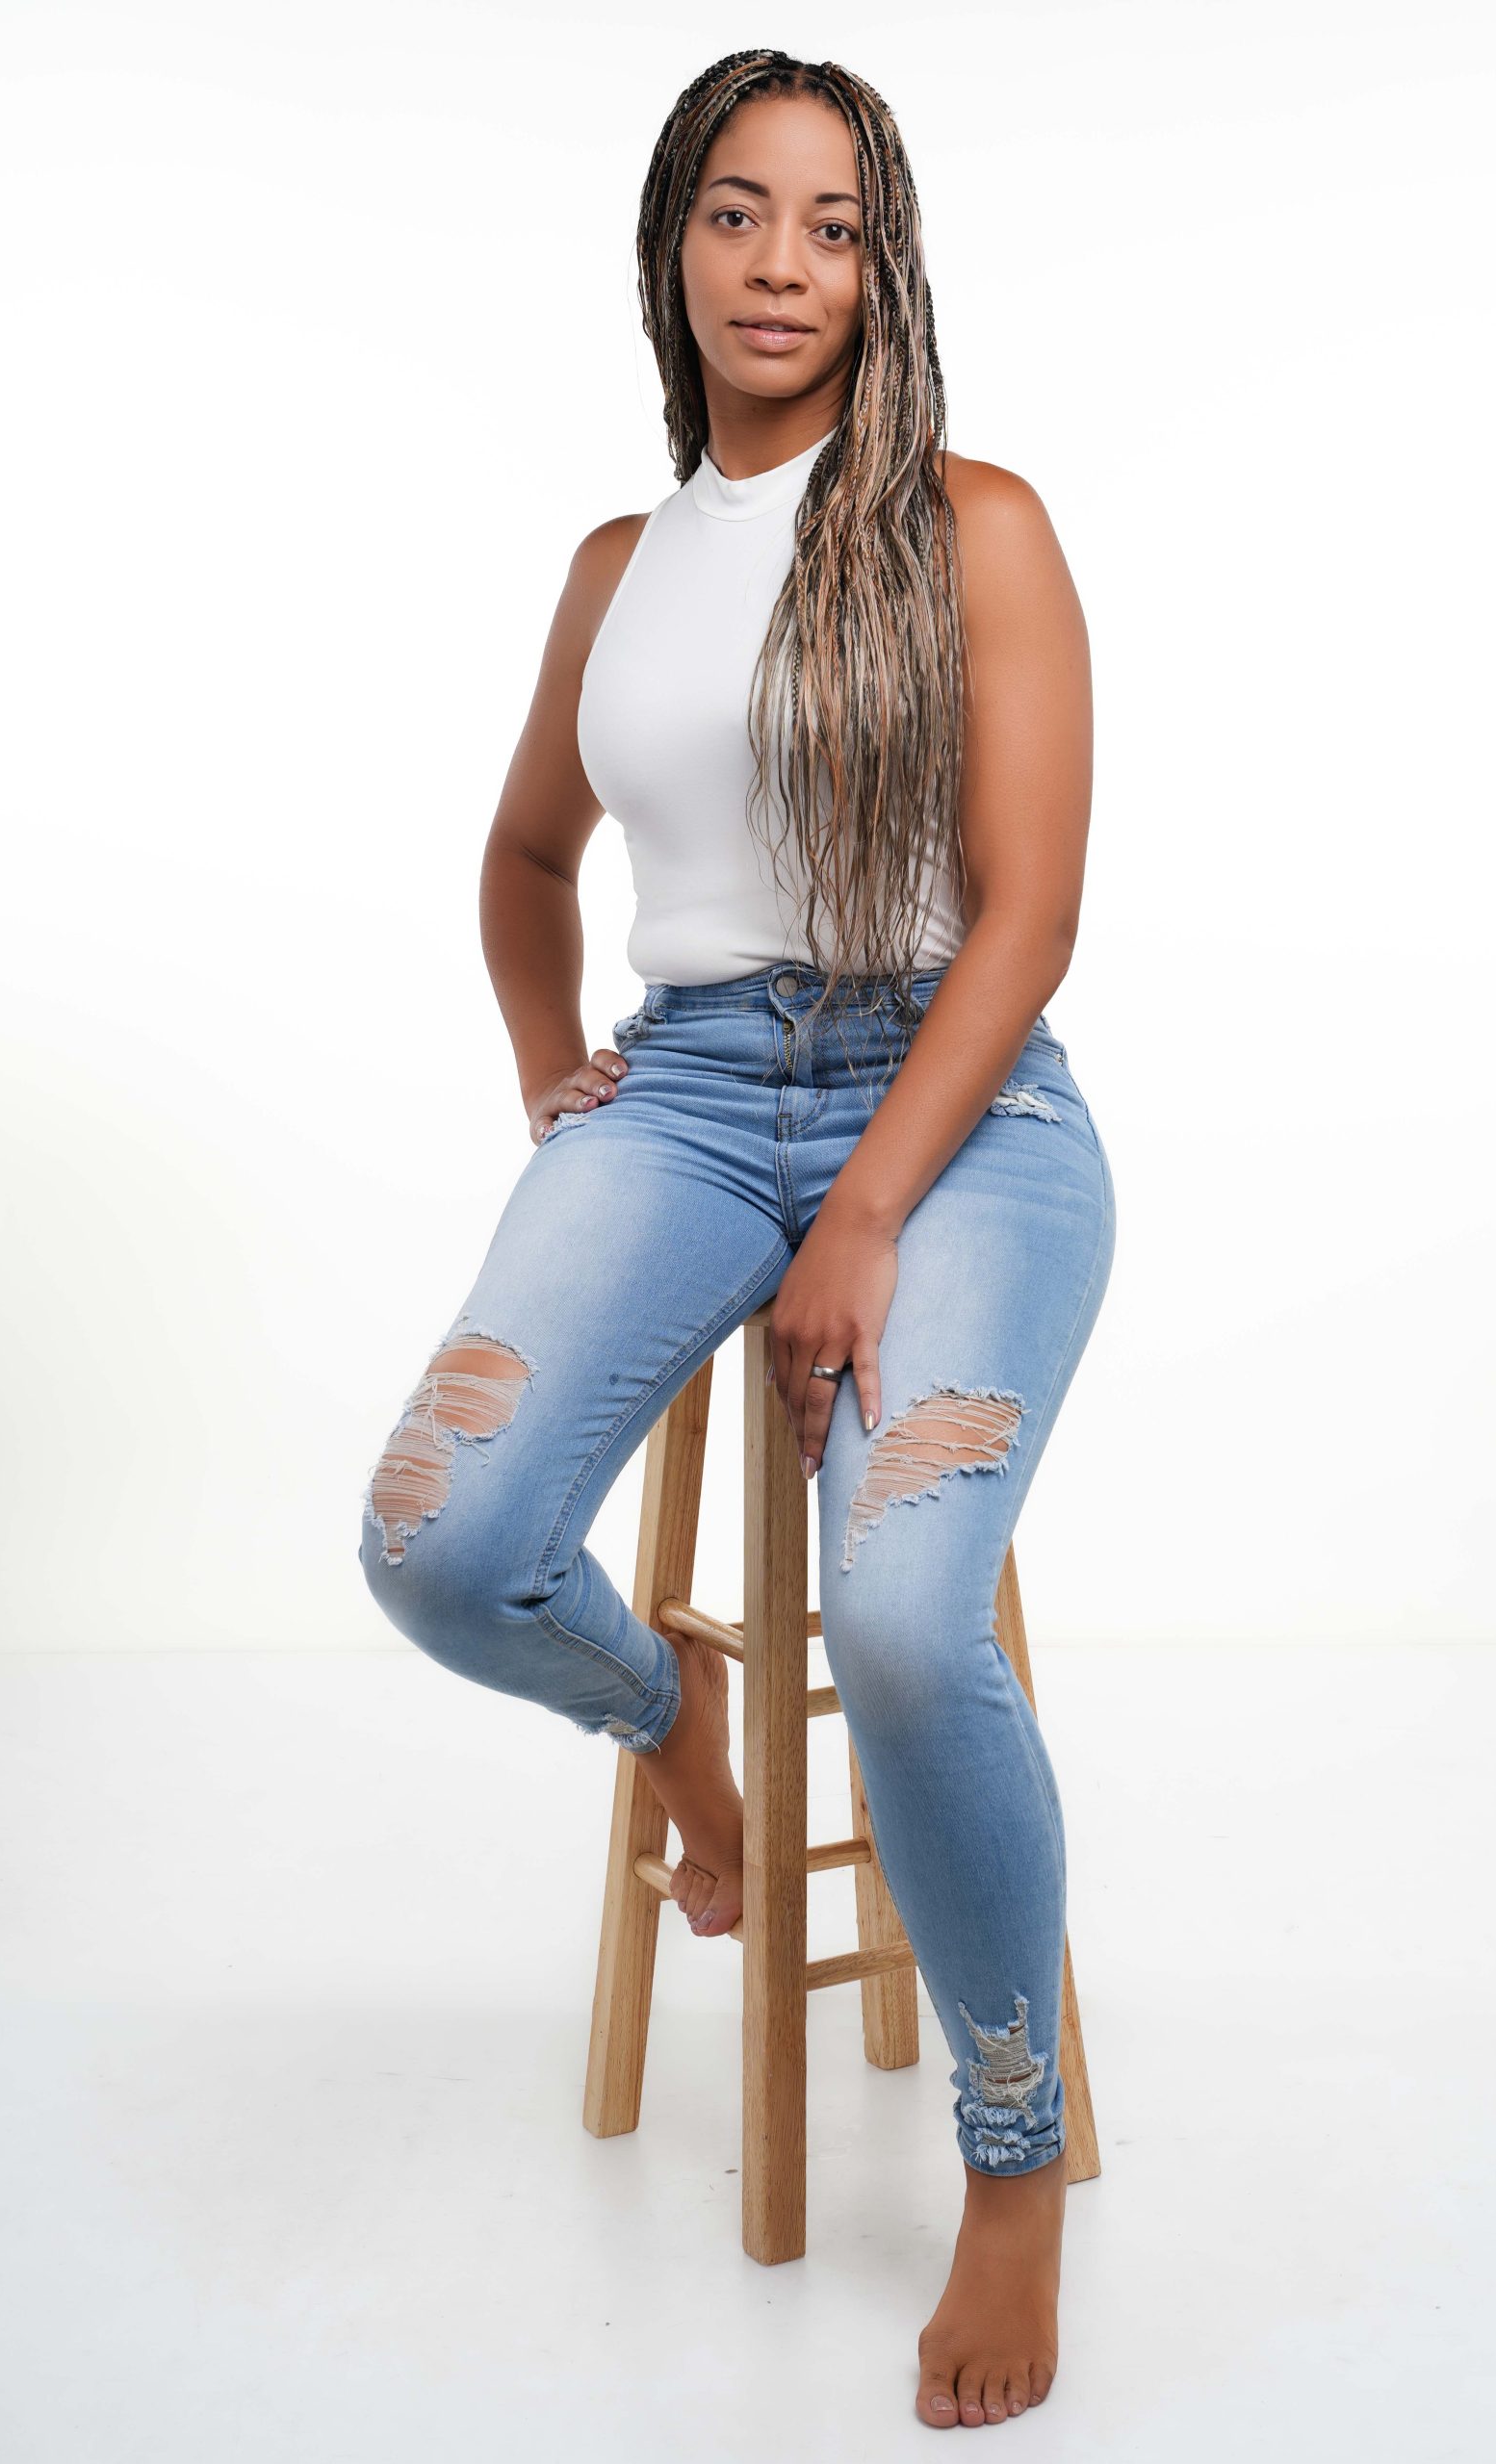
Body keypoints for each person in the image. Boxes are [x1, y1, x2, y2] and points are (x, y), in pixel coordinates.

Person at [359, 48, 1115, 2433]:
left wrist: (865, 1206)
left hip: (956, 1098)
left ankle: (1009, 2162)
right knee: (434, 1538)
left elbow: (1027, 912)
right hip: (681, 1091)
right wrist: (544, 1070)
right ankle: (676, 1720)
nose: (780, 265)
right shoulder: (620, 565)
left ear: (884, 267)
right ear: (669, 243)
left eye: (831, 224)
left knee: (896, 1612)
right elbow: (523, 857)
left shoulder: (974, 523)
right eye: (735, 212)